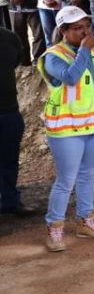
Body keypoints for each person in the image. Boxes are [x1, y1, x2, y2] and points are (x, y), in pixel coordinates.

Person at [36, 6, 94, 252]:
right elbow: (70, 77)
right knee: (66, 179)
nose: (84, 32)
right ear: (63, 31)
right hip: (67, 128)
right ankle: (55, 228)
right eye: (77, 28)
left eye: (86, 26)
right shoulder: (54, 55)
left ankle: (85, 221)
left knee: (87, 175)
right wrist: (83, 51)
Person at [0, 25, 27, 215]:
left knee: (9, 159)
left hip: (9, 110)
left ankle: (10, 201)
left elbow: (15, 62)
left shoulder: (10, 38)